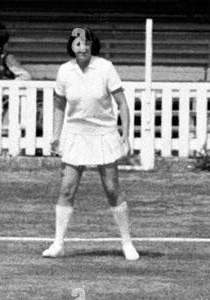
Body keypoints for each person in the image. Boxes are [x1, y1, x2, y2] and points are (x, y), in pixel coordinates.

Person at [44, 27, 139, 262]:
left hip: (103, 134)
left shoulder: (105, 68)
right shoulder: (64, 71)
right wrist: (56, 135)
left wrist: (125, 134)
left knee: (111, 189)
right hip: (76, 134)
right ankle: (58, 244)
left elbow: (122, 104)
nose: (82, 47)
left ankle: (127, 243)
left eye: (86, 43)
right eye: (77, 43)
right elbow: (58, 105)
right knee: (67, 188)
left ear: (92, 45)